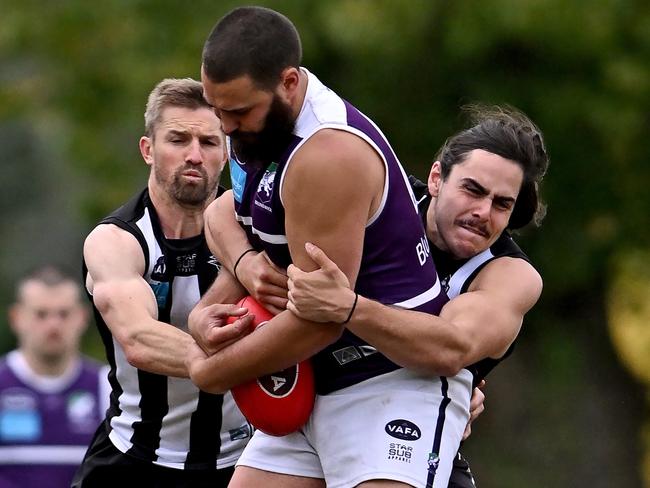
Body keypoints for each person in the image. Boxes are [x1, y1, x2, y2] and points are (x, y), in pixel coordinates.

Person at [187, 6, 469, 488]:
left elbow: (320, 319)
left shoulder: (326, 155)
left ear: (290, 82)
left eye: (237, 112)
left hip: (388, 380)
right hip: (314, 382)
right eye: (217, 110)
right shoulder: (257, 128)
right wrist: (238, 272)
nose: (225, 128)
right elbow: (222, 215)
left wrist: (211, 373)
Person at [284, 105, 548, 487]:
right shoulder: (388, 197)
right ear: (437, 177)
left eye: (501, 204)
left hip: (407, 426)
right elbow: (225, 209)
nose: (482, 212)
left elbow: (448, 350)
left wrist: (348, 307)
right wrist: (245, 264)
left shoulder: (510, 275)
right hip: (316, 406)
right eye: (472, 190)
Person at [72, 78, 255, 488]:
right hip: (133, 456)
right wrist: (244, 360)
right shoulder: (116, 240)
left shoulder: (254, 231)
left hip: (243, 462)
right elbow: (139, 339)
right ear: (148, 150)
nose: (194, 155)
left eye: (209, 142)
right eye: (177, 139)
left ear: (226, 153)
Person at [0, 266, 108, 488]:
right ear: (16, 318)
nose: (54, 325)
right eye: (41, 314)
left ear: (82, 317)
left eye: (64, 314)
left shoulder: (109, 388)